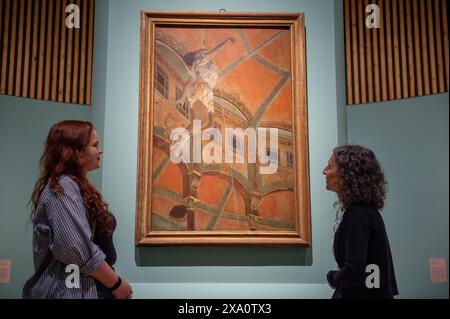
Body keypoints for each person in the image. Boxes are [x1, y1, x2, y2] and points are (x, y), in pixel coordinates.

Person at [23, 120, 132, 299]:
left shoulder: (74, 186)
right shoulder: (62, 187)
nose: (100, 150)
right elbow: (77, 250)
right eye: (95, 145)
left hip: (90, 288)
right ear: (75, 151)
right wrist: (117, 284)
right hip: (70, 292)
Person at [323, 145, 398, 299]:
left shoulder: (357, 214)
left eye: (330, 167)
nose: (324, 171)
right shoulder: (365, 212)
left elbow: (354, 271)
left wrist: (332, 277)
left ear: (346, 174)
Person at [176, 36, 235, 129]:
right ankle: (185, 136)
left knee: (208, 123)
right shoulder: (202, 59)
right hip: (203, 90)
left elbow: (188, 83)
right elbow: (216, 50)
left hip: (205, 91)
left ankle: (188, 135)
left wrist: (182, 98)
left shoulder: (196, 65)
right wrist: (227, 42)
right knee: (204, 122)